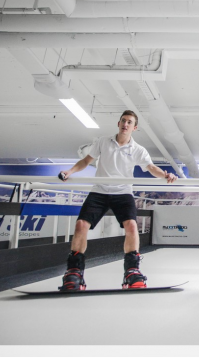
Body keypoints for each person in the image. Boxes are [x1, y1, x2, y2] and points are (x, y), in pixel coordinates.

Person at [58, 110, 178, 291]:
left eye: (130, 122)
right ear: (118, 123)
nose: (125, 124)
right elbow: (86, 160)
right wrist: (70, 171)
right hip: (99, 191)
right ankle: (74, 272)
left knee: (131, 226)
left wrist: (166, 175)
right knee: (81, 225)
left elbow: (151, 167)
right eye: (123, 121)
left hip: (123, 192)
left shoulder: (138, 150)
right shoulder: (103, 142)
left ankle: (132, 271)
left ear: (134, 128)